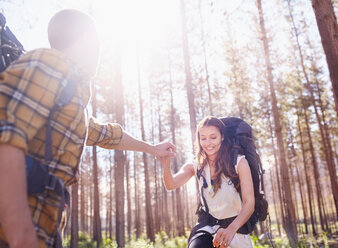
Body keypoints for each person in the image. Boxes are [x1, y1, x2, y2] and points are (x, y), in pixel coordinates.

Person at [0, 9, 175, 248]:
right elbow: (5, 134)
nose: (100, 52)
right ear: (86, 39)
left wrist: (152, 149)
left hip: (44, 232)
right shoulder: (50, 64)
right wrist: (21, 234)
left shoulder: (69, 96)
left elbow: (106, 135)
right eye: (98, 43)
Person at [158, 116, 255, 248]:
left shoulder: (239, 162)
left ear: (222, 136)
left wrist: (231, 229)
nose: (208, 143)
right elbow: (171, 185)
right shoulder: (196, 164)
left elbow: (249, 203)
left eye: (213, 137)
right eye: (203, 138)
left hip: (235, 228)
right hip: (208, 227)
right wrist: (165, 163)